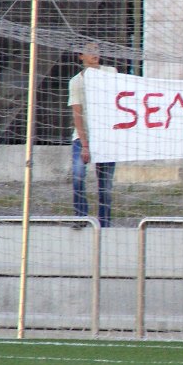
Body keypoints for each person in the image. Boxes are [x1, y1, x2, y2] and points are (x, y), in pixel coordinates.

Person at [68, 42, 117, 227]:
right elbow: (77, 114)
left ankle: (104, 223)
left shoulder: (110, 73)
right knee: (78, 174)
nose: (94, 53)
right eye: (89, 51)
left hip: (106, 137)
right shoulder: (76, 82)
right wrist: (85, 144)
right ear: (81, 56)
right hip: (83, 137)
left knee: (105, 184)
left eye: (96, 50)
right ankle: (81, 217)